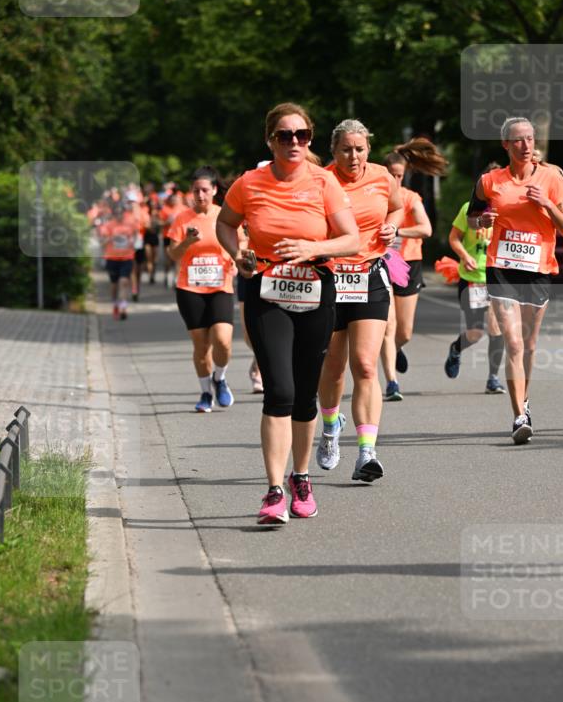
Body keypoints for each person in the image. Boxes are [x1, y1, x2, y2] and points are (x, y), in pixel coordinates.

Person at [216, 102, 359, 524]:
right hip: (268, 291)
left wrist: (314, 248)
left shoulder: (324, 182)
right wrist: (237, 253)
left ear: (310, 139)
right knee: (279, 388)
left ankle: (302, 478)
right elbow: (225, 223)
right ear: (270, 140)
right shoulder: (249, 183)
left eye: (302, 135)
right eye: (284, 135)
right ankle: (274, 490)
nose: (294, 142)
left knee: (304, 391)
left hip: (316, 291)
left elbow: (350, 239)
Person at [470, 116, 563, 444]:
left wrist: (546, 204)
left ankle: (524, 402)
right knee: (513, 343)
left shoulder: (551, 178)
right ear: (505, 145)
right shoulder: (489, 182)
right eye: (518, 140)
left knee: (528, 345)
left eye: (529, 139)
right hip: (501, 267)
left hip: (538, 268)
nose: (526, 145)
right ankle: (518, 416)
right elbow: (473, 219)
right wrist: (481, 219)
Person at [315, 119, 403, 481]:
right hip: (331, 278)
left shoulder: (383, 176)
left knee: (366, 365)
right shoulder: (320, 181)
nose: (354, 156)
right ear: (334, 151)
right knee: (333, 369)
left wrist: (392, 226)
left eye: (360, 148)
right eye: (347, 149)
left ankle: (367, 452)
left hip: (369, 275)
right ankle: (331, 426)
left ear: (369, 148)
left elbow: (396, 207)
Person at [167, 166, 237, 412]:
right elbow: (173, 254)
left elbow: (240, 243)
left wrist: (237, 260)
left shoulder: (225, 216)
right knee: (200, 347)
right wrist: (187, 241)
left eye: (205, 190)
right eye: (196, 190)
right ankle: (206, 393)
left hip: (220, 287)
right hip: (190, 289)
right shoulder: (182, 219)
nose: (200, 195)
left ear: (215, 190)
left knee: (223, 340)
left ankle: (220, 378)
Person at [444, 163, 506, 394]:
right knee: (475, 333)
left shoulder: (507, 208)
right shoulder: (469, 209)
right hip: (473, 277)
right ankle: (456, 348)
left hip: (497, 277)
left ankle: (493, 378)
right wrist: (465, 255)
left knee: (497, 329)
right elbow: (454, 238)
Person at [379, 147, 435, 400]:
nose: (396, 179)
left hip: (408, 263)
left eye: (400, 175)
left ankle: (395, 348)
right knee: (388, 326)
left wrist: (398, 232)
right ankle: (392, 382)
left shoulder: (411, 198)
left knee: (404, 332)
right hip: (383, 262)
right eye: (391, 174)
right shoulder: (376, 197)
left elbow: (426, 229)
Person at [99, 200, 140, 320]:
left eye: (121, 213)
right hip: (112, 258)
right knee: (114, 285)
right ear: (113, 214)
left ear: (124, 213)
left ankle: (123, 307)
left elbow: (136, 234)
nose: (119, 215)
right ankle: (115, 304)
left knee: (124, 282)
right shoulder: (108, 226)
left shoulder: (130, 224)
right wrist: (112, 238)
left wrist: (134, 241)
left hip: (127, 257)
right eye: (116, 213)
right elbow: (102, 243)